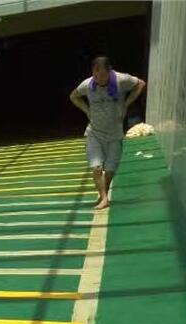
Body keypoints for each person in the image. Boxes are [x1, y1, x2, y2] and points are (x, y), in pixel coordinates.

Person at [70, 57, 146, 210]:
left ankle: (102, 193)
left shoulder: (121, 80)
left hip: (115, 134)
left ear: (109, 71)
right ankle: (104, 198)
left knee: (110, 170)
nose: (99, 79)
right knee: (96, 167)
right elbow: (73, 96)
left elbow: (140, 84)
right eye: (96, 75)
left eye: (103, 75)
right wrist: (86, 110)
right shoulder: (88, 84)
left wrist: (126, 104)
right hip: (94, 133)